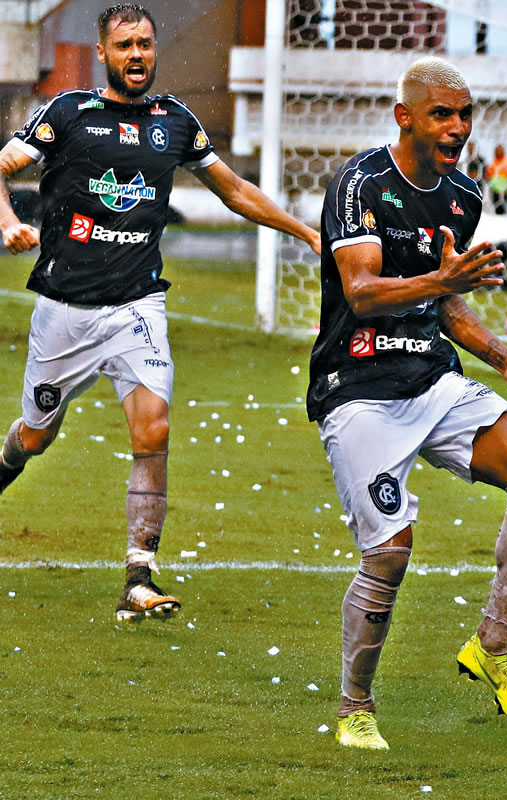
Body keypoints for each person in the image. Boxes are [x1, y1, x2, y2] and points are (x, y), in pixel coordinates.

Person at [0, 4, 320, 623]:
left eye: (145, 43)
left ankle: (138, 577)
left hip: (137, 306)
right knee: (35, 436)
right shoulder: (67, 115)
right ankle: (5, 464)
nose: (138, 55)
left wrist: (304, 233)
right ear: (104, 54)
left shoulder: (175, 122)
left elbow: (235, 190)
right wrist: (9, 221)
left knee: (155, 430)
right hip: (65, 311)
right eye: (125, 46)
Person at [307, 55, 507, 751]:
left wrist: (504, 358)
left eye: (465, 115)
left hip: (431, 378)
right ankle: (354, 706)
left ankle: (494, 643)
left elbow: (446, 301)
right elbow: (362, 291)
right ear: (406, 116)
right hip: (358, 388)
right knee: (390, 554)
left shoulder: (461, 194)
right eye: (442, 114)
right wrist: (438, 276)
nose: (458, 128)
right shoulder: (359, 184)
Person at [485, 142, 507, 213]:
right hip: (495, 190)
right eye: (496, 150)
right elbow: (488, 175)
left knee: (504, 209)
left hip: (505, 189)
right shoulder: (493, 162)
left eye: (499, 149)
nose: (497, 152)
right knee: (497, 210)